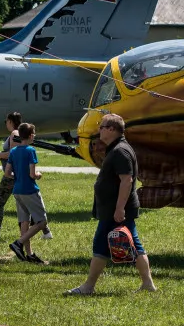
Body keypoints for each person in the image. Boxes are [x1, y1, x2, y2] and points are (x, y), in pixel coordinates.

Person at [67, 114, 157, 295]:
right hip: (116, 209)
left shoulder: (120, 151)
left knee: (101, 245)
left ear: (111, 129)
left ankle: (88, 287)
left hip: (115, 210)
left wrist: (119, 208)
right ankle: (148, 284)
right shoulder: (116, 148)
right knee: (134, 245)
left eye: (102, 126)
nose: (99, 129)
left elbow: (127, 180)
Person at [0, 111, 52, 243]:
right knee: (27, 204)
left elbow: (13, 153)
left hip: (11, 176)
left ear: (10, 121)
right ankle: (46, 232)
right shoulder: (17, 134)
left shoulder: (14, 134)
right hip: (16, 175)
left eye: (6, 121)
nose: (5, 124)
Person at [6, 123, 49, 265]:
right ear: (31, 136)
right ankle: (18, 243)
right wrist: (38, 175)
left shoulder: (13, 151)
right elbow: (32, 174)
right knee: (42, 222)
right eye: (34, 134)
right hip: (30, 190)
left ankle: (29, 254)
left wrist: (18, 176)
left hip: (17, 190)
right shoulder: (31, 150)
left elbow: (7, 173)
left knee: (24, 221)